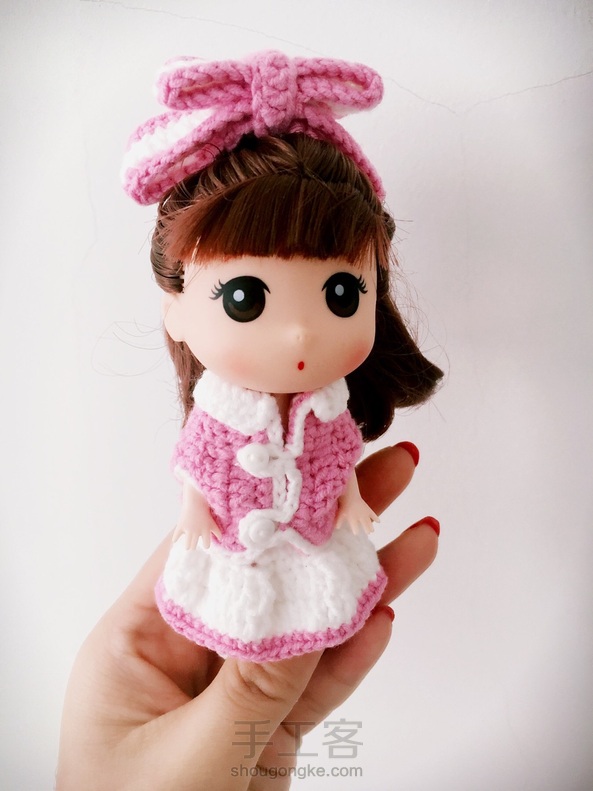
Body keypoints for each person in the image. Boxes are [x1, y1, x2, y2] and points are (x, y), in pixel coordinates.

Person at [56, 444, 439, 789]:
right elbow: (194, 472)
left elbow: (340, 467)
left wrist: (351, 501)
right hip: (234, 555)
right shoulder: (215, 426)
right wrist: (193, 511)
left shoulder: (327, 423)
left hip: (316, 543)